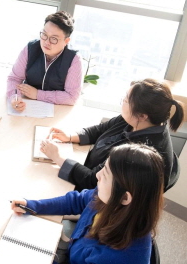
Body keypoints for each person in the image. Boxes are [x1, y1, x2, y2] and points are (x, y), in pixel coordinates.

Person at [11, 143, 164, 264]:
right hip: (72, 257)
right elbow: (76, 201)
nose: (98, 175)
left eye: (106, 175)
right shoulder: (113, 198)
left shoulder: (120, 260)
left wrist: (40, 260)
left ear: (125, 197)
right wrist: (32, 205)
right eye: (104, 167)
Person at [40, 78, 184, 192]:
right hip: (89, 173)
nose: (122, 103)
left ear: (142, 115)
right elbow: (102, 129)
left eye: (126, 100)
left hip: (98, 195)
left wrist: (58, 157)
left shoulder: (137, 153)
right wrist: (71, 136)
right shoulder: (138, 120)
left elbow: (93, 180)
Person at [7, 10, 82, 111]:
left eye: (54, 39)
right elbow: (14, 78)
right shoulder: (31, 48)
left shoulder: (74, 59)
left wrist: (38, 94)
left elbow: (72, 97)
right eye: (44, 34)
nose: (46, 42)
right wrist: (15, 98)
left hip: (57, 110)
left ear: (66, 41)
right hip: (27, 106)